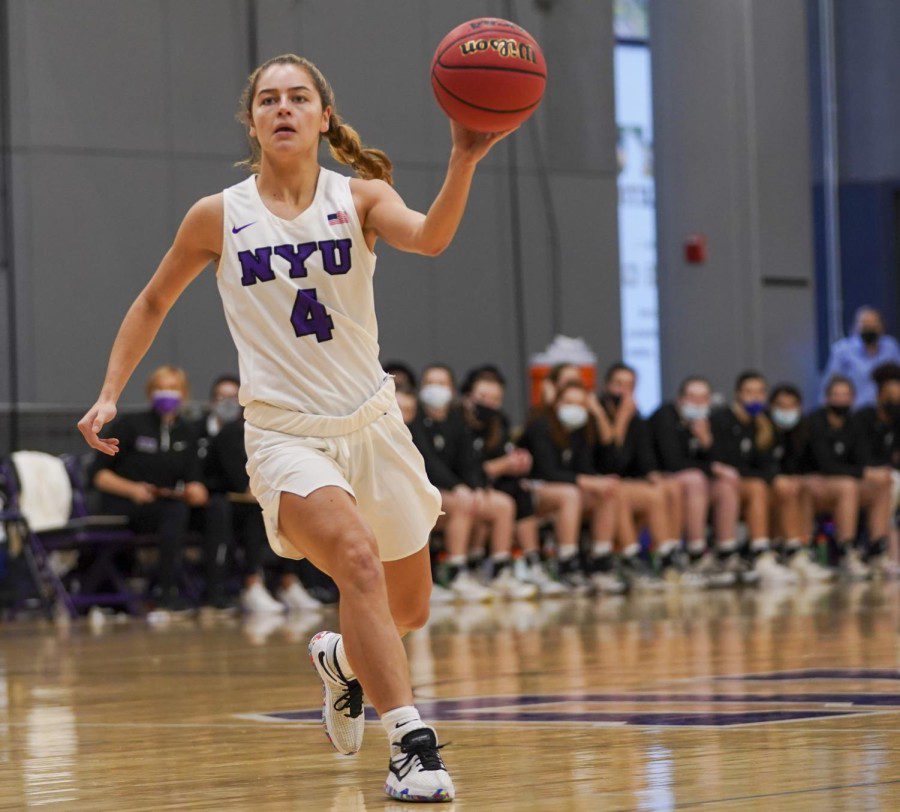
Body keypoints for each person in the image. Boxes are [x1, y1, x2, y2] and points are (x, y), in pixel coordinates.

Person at [78, 53, 516, 802]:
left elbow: (433, 238)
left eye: (298, 97)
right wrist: (111, 390)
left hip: (374, 425)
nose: (283, 108)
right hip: (285, 435)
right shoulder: (219, 215)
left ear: (323, 116)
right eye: (269, 99)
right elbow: (152, 302)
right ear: (252, 121)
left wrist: (463, 156)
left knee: (406, 608)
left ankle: (343, 663)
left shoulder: (362, 198)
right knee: (356, 562)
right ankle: (410, 746)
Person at [89, 365, 208, 611]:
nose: (167, 393)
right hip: (126, 503)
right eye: (161, 388)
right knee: (173, 513)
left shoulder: (188, 431)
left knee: (216, 509)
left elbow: (194, 477)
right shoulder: (131, 425)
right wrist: (132, 489)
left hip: (167, 503)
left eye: (173, 388)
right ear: (151, 392)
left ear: (184, 394)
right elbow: (98, 475)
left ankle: (217, 591)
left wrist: (197, 490)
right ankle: (166, 592)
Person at [462, 368, 574, 597]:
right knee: (502, 503)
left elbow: (503, 456)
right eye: (483, 397)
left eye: (495, 399)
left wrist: (519, 462)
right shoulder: (458, 423)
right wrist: (500, 466)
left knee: (520, 490)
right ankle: (489, 568)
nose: (489, 404)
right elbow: (465, 468)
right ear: (468, 395)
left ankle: (531, 563)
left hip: (494, 482)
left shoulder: (499, 422)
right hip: (466, 484)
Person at [413, 364, 520, 602]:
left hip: (454, 492)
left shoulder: (456, 420)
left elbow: (469, 461)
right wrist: (457, 487)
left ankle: (499, 572)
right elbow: (426, 461)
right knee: (461, 503)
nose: (436, 389)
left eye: (442, 384)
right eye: (431, 383)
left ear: (451, 389)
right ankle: (455, 573)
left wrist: (477, 488)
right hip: (425, 490)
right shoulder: (414, 419)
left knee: (503, 505)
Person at [203, 414, 323, 613]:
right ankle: (252, 582)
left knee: (290, 509)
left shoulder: (283, 429)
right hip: (230, 503)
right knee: (257, 513)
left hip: (264, 498)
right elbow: (241, 483)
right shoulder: (232, 432)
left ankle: (289, 580)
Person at [519, 381, 622, 593]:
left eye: (580, 404)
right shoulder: (540, 426)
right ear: (556, 403)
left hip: (566, 488)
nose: (574, 408)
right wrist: (587, 481)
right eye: (568, 402)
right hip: (533, 489)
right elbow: (547, 471)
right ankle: (567, 562)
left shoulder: (582, 430)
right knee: (571, 494)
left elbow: (591, 466)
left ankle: (600, 562)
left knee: (606, 492)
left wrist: (598, 482)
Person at [592, 364, 683, 590]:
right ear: (606, 386)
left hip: (625, 482)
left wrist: (653, 475)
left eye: (630, 386)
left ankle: (666, 557)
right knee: (618, 491)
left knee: (660, 491)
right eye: (618, 384)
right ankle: (629, 558)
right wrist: (620, 423)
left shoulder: (637, 420)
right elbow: (610, 464)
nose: (623, 391)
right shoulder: (595, 416)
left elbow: (645, 461)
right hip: (599, 483)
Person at [649, 376, 739, 587]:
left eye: (703, 398)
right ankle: (695, 553)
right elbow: (672, 461)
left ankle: (725, 552)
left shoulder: (711, 421)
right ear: (680, 399)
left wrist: (707, 441)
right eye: (692, 397)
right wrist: (712, 467)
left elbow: (726, 461)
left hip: (697, 482)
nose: (697, 403)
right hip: (668, 478)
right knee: (695, 479)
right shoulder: (665, 416)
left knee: (725, 486)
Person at [710, 371, 797, 585]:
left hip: (748, 482)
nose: (755, 397)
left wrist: (771, 477)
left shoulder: (765, 424)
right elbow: (725, 463)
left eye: (759, 392)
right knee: (758, 486)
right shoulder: (721, 418)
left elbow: (768, 465)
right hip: (721, 484)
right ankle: (758, 554)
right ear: (738, 394)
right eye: (749, 392)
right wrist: (763, 476)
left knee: (785, 486)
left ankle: (792, 551)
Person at [807, 375, 894, 579]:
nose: (841, 400)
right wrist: (862, 472)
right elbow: (825, 465)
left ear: (853, 398)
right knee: (848, 486)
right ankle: (846, 550)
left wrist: (869, 472)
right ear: (827, 398)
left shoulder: (854, 423)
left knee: (882, 482)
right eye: (836, 395)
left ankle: (877, 549)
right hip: (816, 481)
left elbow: (862, 459)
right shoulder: (816, 421)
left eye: (846, 395)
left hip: (844, 480)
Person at [767, 384, 833, 582]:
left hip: (793, 485)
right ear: (771, 407)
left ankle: (801, 550)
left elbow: (814, 464)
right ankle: (785, 551)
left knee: (802, 487)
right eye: (781, 406)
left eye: (791, 406)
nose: (786, 411)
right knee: (785, 488)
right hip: (767, 483)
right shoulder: (762, 427)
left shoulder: (805, 430)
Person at [854, 363, 900, 575]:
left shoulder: (897, 421)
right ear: (879, 395)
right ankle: (881, 550)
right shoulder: (863, 418)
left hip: (889, 475)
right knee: (890, 483)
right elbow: (860, 457)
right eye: (891, 395)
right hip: (865, 477)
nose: (896, 400)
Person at [821, 307, 900, 407]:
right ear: (855, 327)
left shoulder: (891, 347)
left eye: (873, 325)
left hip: (886, 411)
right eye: (865, 325)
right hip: (853, 411)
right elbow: (830, 384)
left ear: (881, 327)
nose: (870, 328)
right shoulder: (842, 350)